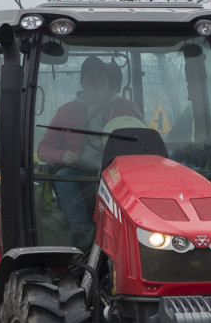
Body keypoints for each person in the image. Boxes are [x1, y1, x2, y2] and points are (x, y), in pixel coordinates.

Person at [36, 56, 142, 238]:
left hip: (119, 171)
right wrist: (63, 156)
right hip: (81, 171)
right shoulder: (66, 111)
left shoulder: (126, 108)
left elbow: (141, 140)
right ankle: (84, 234)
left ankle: (133, 231)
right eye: (90, 77)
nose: (96, 81)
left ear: (109, 82)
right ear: (82, 83)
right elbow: (44, 148)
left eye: (101, 76)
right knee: (63, 176)